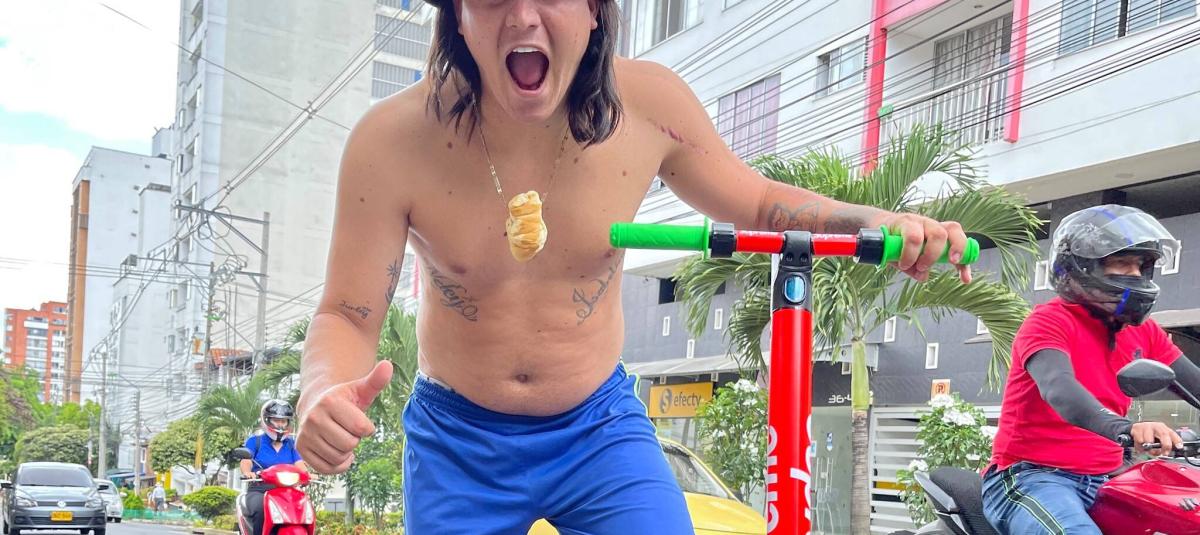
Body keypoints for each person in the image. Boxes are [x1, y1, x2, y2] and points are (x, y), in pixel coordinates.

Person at [294, 0, 973, 532]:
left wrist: (875, 220)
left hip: (597, 426)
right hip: (458, 439)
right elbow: (348, 313)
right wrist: (321, 391)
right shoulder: (392, 141)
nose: (523, 16)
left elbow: (761, 202)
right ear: (458, 16)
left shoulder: (648, 107)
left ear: (595, 9)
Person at [983, 205, 1200, 534]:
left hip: (1108, 478)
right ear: (1082, 268)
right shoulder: (1048, 322)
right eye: (1122, 264)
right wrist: (1128, 428)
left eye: (1141, 266)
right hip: (1033, 476)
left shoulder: (1143, 331)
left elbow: (1193, 381)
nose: (1135, 275)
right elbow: (1060, 390)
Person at [240, 400, 307, 535]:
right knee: (261, 508)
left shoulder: (292, 444)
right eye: (276, 420)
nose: (280, 425)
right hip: (260, 490)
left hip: (288, 491)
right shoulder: (255, 441)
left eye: (283, 421)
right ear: (267, 420)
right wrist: (247, 472)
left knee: (304, 508)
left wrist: (307, 475)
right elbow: (246, 461)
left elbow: (300, 464)